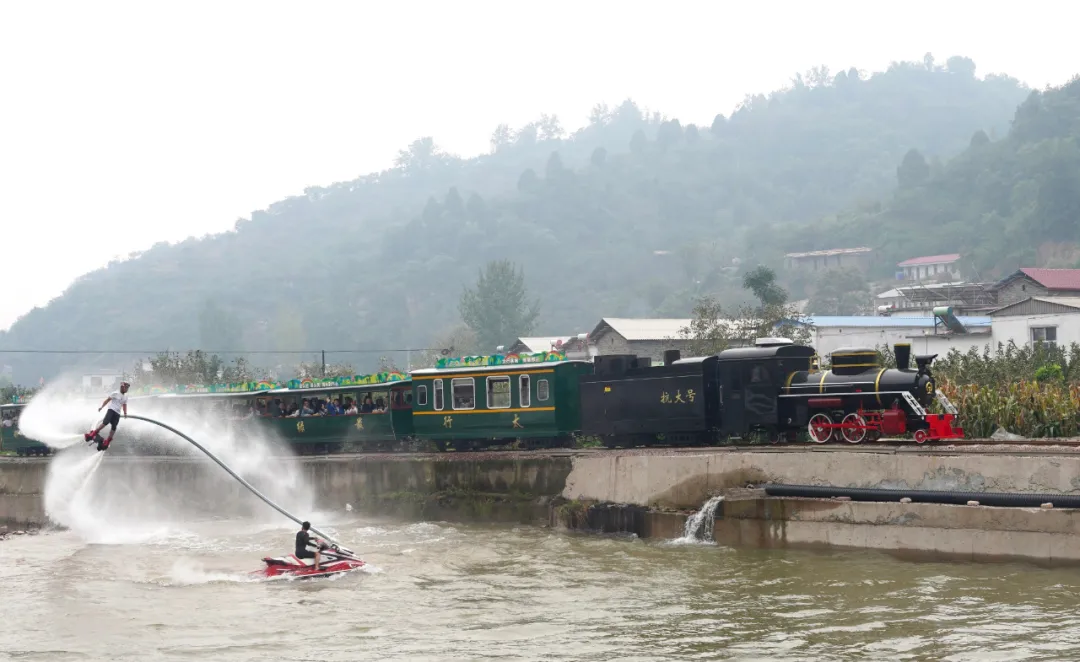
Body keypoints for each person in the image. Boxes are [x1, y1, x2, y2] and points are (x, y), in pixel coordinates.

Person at [85, 381, 130, 449]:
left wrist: (125, 413)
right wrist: (101, 407)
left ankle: (108, 441)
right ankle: (94, 433)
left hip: (117, 413)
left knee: (114, 427)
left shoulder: (126, 396)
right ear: (122, 387)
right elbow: (107, 400)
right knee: (106, 422)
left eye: (127, 388)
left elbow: (124, 405)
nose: (126, 389)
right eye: (125, 387)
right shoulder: (115, 393)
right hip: (111, 410)